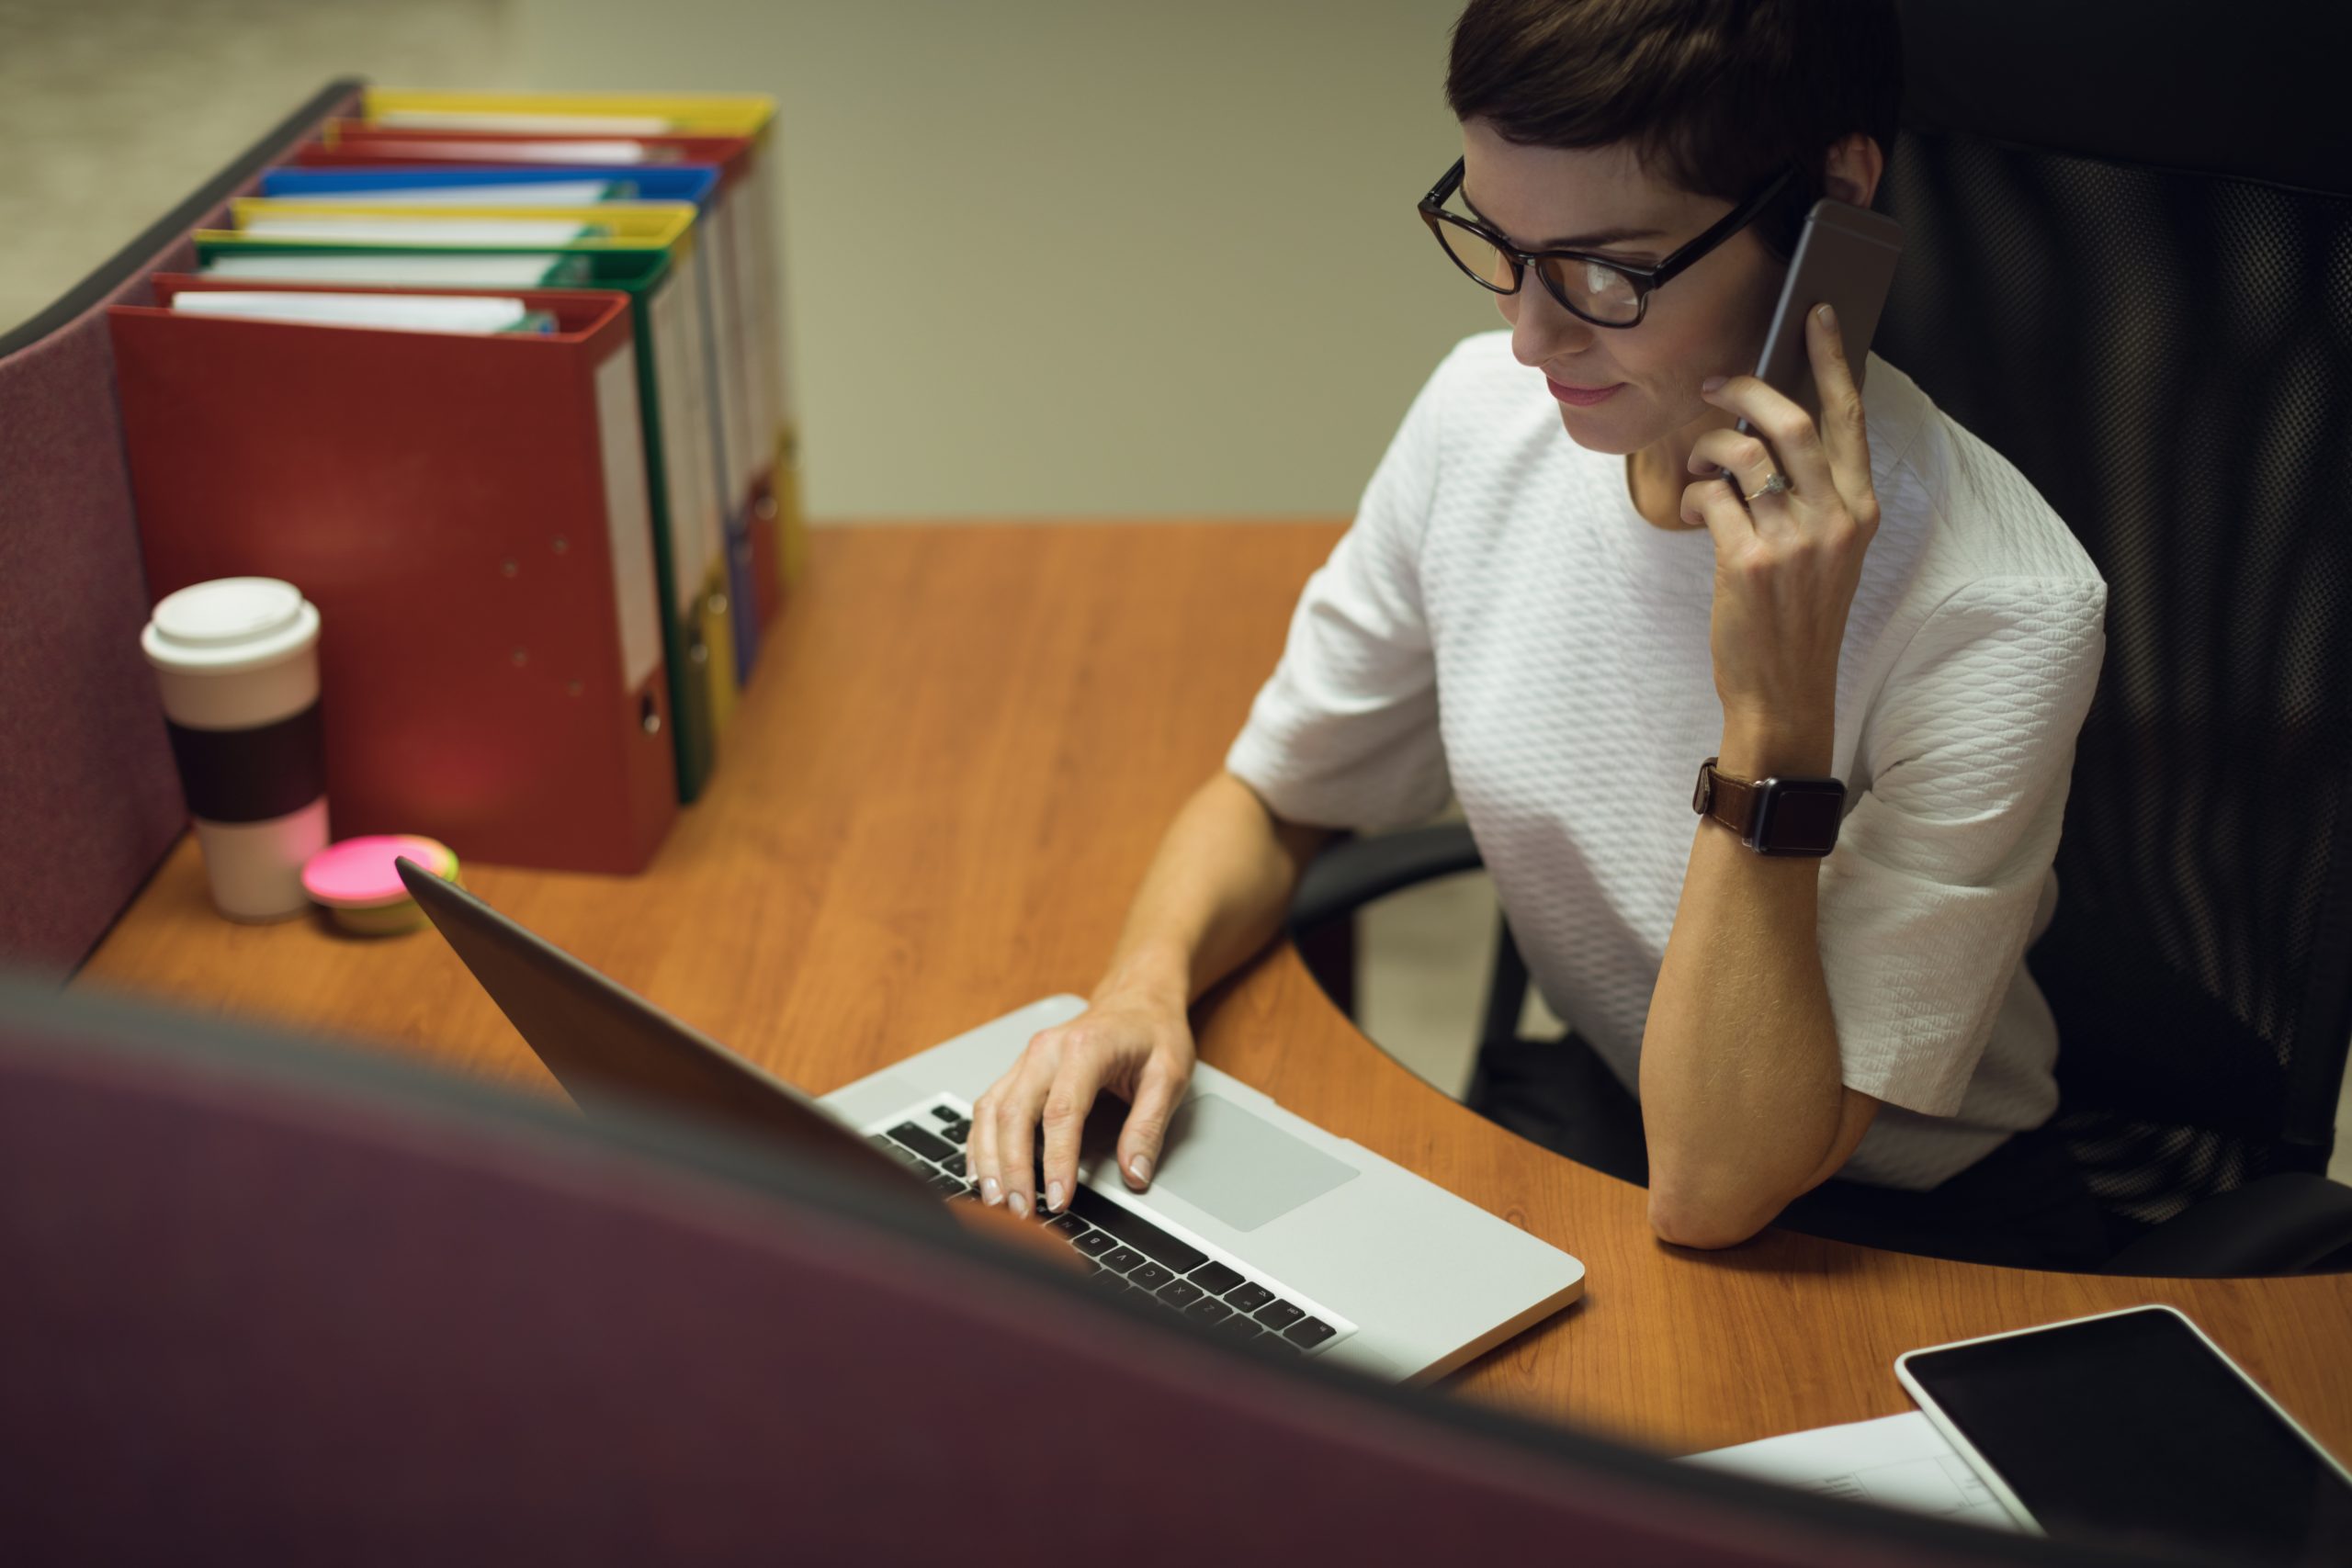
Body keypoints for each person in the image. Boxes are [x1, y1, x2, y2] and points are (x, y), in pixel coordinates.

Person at [969, 0, 2115, 1269]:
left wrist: (1777, 720)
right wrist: (1140, 988)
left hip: (1903, 1240)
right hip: (1605, 1119)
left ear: (1835, 200)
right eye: (1500, 243)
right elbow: (1276, 795)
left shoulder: (2000, 602)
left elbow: (1719, 1190)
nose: (1530, 335)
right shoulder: (1481, 424)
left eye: (1608, 273)